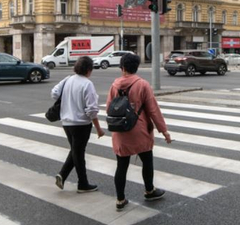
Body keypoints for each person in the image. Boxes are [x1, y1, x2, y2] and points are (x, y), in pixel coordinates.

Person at [107, 53, 172, 211]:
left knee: (121, 166)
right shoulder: (142, 84)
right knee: (147, 161)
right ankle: (149, 190)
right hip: (139, 130)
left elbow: (109, 107)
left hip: (121, 130)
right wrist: (164, 131)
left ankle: (120, 199)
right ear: (136, 67)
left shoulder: (114, 85)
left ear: (122, 67)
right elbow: (153, 110)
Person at [51, 56, 104, 193]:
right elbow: (92, 110)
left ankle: (62, 175)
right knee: (79, 153)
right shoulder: (87, 84)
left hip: (66, 123)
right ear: (88, 69)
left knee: (75, 151)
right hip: (81, 124)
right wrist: (98, 128)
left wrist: (68, 101)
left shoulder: (68, 79)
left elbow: (54, 93)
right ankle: (83, 184)